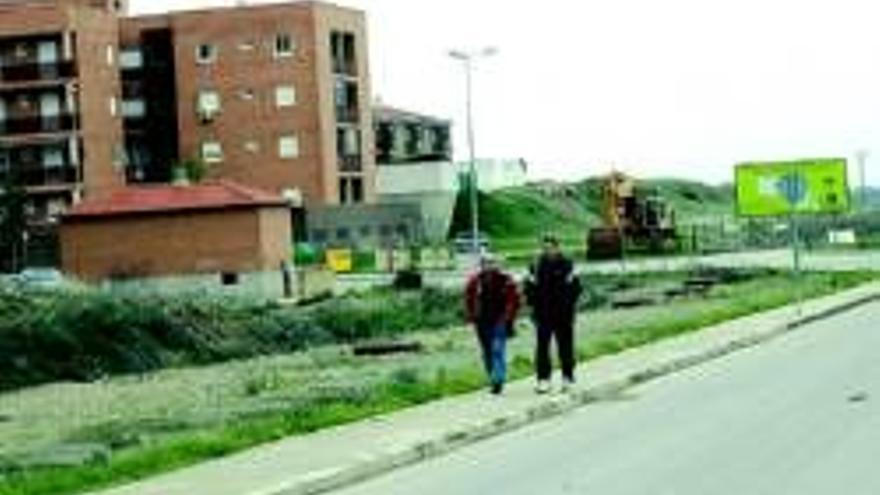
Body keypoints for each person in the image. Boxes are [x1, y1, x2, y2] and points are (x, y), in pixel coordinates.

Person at [525, 235, 583, 393]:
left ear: (557, 248)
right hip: (543, 313)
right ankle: (543, 379)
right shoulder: (535, 266)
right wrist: (533, 307)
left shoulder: (568, 265)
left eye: (551, 247)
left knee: (565, 346)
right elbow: (529, 289)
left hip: (563, 314)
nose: (548, 250)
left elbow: (576, 288)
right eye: (545, 248)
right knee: (542, 347)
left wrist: (569, 306)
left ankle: (567, 377)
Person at [465, 254, 521, 395]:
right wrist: (472, 315)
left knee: (497, 349)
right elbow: (468, 299)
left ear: (497, 264)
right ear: (482, 265)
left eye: (491, 263)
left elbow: (514, 300)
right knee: (487, 352)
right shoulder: (475, 281)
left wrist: (509, 317)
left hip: (500, 319)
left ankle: (498, 379)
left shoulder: (506, 280)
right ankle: (492, 376)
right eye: (486, 263)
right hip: (482, 320)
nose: (489, 266)